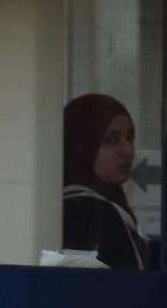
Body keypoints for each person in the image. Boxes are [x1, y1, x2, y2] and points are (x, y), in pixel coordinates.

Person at [61, 94, 147, 269]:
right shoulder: (88, 211)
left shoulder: (112, 207)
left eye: (129, 138)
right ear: (81, 144)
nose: (127, 151)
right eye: (111, 140)